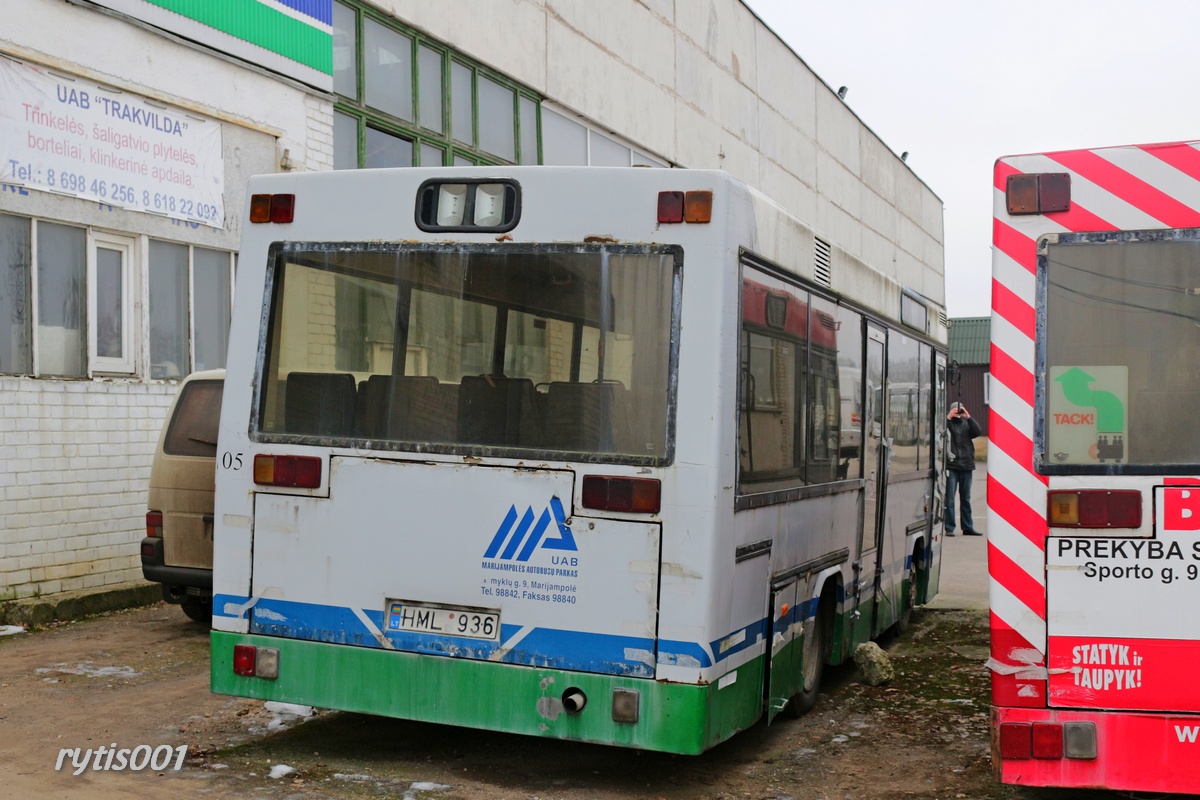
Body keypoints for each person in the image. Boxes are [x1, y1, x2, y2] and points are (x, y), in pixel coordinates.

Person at [945, 401, 983, 536]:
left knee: (965, 498)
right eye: (955, 409)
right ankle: (949, 528)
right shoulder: (947, 424)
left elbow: (978, 431)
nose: (958, 412)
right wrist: (948, 417)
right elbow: (940, 432)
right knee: (949, 498)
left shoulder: (967, 424)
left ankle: (967, 527)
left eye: (960, 410)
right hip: (951, 465)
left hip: (966, 465)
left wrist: (969, 417)